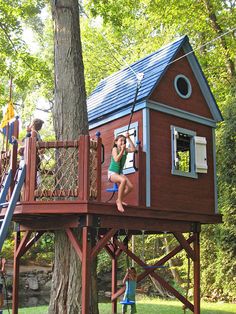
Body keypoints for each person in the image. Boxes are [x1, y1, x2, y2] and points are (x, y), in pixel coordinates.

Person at [108, 132, 136, 212]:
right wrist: (122, 150)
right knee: (123, 180)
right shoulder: (115, 149)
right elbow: (116, 159)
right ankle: (119, 202)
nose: (123, 142)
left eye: (124, 141)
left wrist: (129, 138)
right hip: (112, 173)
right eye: (121, 140)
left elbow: (134, 149)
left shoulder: (125, 150)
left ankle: (119, 199)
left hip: (119, 173)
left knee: (130, 187)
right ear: (116, 142)